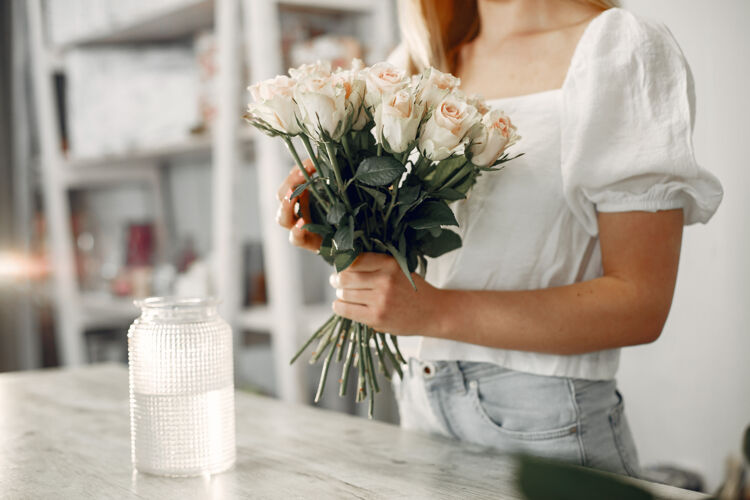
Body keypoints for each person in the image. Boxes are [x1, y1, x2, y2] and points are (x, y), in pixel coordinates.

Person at [275, 0, 723, 478]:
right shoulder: (419, 58)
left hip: (544, 427)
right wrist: (338, 219)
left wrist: (435, 311)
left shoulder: (619, 49)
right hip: (418, 409)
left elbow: (640, 303)